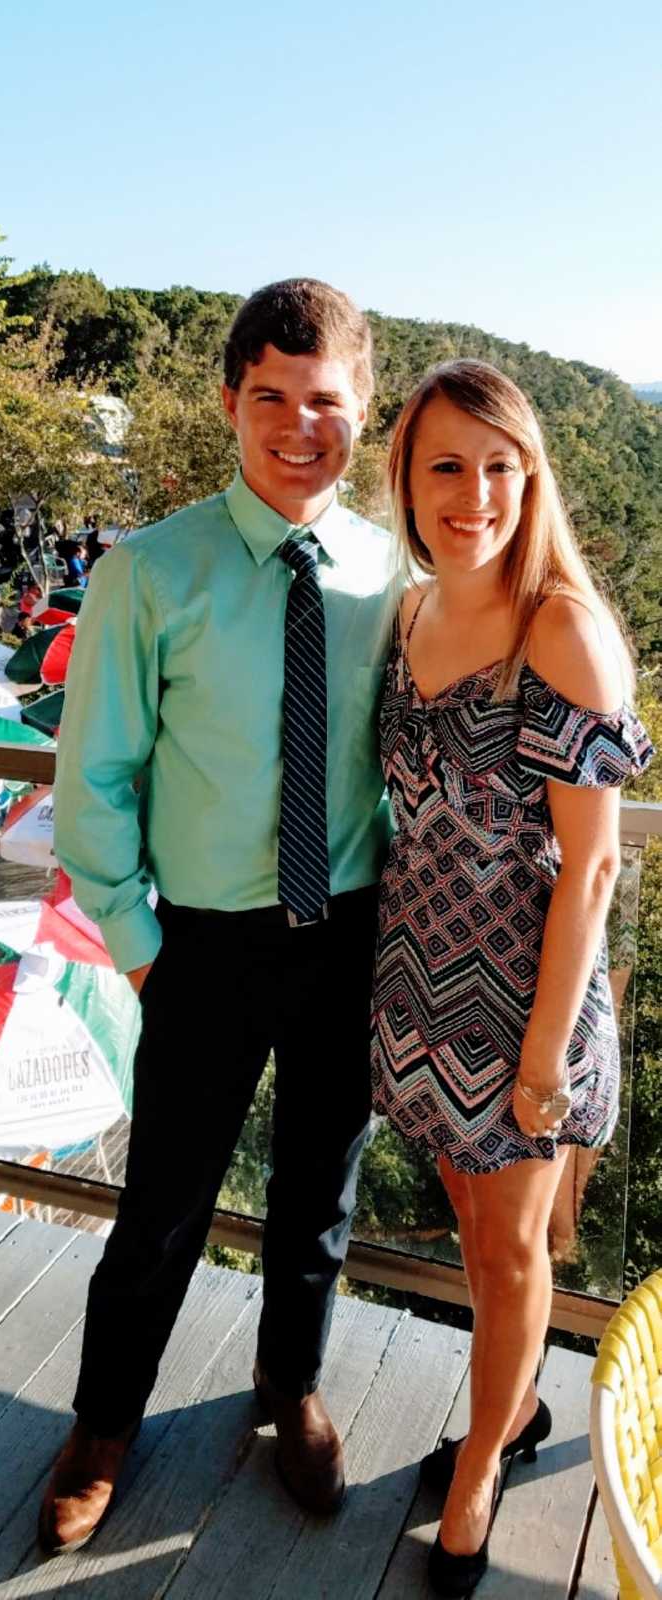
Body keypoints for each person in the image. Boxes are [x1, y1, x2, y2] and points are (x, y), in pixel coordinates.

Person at [40, 279, 394, 1553]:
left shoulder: (392, 570)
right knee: (167, 1203)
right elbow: (99, 776)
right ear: (231, 400)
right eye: (272, 398)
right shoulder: (149, 569)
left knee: (319, 1192)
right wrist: (142, 952)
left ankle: (288, 1391)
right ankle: (102, 1423)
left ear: (365, 407)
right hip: (201, 942)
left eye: (326, 401)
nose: (301, 426)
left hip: (351, 931)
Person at [370, 359, 653, 1596]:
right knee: (473, 1232)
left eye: (500, 464)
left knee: (509, 1252)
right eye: (446, 463)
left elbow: (590, 871)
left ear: (529, 475)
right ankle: (518, 1405)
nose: (474, 491)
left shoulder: (562, 628)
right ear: (408, 478)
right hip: (416, 981)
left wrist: (542, 1052)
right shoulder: (413, 613)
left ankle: (482, 1459)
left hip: (525, 998)